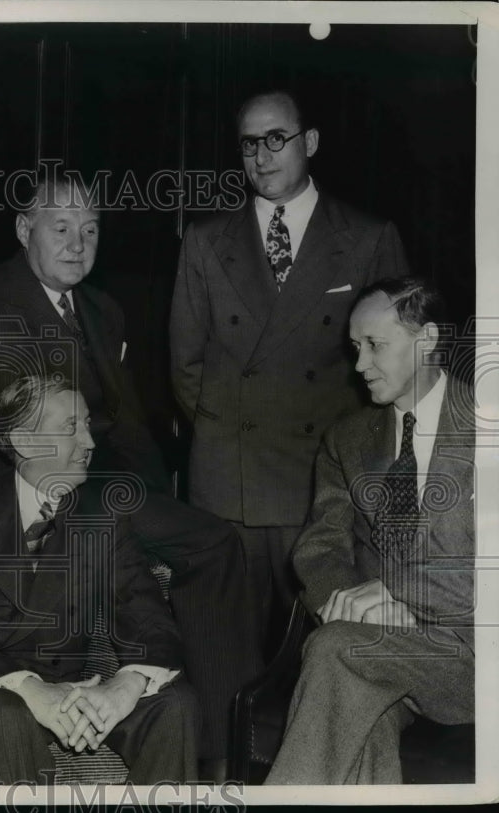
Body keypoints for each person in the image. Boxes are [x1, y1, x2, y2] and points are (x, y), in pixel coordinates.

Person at [0, 169, 260, 775]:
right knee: (205, 542)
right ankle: (215, 741)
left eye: (92, 229)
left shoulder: (102, 309)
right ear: (25, 230)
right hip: (19, 480)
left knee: (215, 540)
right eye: (62, 227)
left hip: (102, 480)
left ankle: (221, 741)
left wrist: (155, 497)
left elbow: (125, 424)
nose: (79, 243)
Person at [170, 89, 411, 648]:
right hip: (231, 486)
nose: (262, 154)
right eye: (250, 143)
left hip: (328, 488)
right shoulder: (205, 242)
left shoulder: (369, 237)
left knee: (325, 659)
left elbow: (398, 370)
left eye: (276, 138)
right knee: (225, 657)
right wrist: (230, 433)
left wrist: (347, 459)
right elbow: (187, 369)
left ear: (311, 142)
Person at [0, 374, 200, 783]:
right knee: (8, 714)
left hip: (74, 693)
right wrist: (29, 689)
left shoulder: (100, 516)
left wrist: (126, 683)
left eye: (87, 424)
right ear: (24, 442)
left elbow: (150, 618)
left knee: (176, 703)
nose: (89, 443)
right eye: (70, 428)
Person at [265, 278, 474, 784]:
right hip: (377, 647)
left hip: (471, 653)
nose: (359, 366)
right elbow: (319, 549)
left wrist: (396, 594)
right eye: (356, 347)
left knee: (337, 651)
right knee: (354, 689)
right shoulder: (348, 439)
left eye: (376, 346)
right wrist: (350, 601)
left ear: (426, 341)